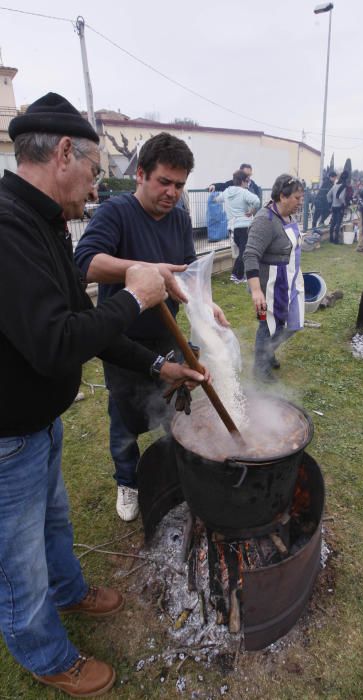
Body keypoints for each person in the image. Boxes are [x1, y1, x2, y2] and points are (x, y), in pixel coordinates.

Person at [0, 93, 207, 697]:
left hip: (37, 423)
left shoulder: (43, 223)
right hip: (6, 433)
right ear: (65, 152)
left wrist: (157, 365)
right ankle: (44, 653)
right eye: (94, 170)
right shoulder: (8, 229)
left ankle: (71, 592)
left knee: (55, 523)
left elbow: (86, 327)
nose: (95, 185)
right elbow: (56, 344)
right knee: (18, 562)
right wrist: (137, 297)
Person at [75, 132, 228, 522]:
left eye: (179, 185)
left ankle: (173, 470)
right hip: (121, 340)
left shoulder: (178, 218)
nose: (173, 193)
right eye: (164, 182)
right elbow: (84, 262)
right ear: (141, 174)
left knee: (174, 411)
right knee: (125, 419)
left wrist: (206, 303)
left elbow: (188, 274)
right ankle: (127, 481)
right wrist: (140, 269)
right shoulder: (116, 213)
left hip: (168, 335)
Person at [244, 174, 305, 383]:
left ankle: (268, 351)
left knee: (293, 324)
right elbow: (250, 254)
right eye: (297, 198)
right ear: (283, 196)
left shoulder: (288, 217)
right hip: (265, 288)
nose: (300, 202)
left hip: (289, 283)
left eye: (301, 197)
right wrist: (256, 291)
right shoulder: (264, 220)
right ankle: (260, 369)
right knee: (266, 326)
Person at [213, 168, 260, 283]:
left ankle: (240, 275)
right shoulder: (244, 192)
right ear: (243, 181)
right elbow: (257, 201)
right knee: (245, 252)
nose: (248, 184)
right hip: (244, 226)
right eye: (247, 181)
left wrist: (212, 192)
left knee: (240, 252)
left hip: (232, 227)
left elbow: (216, 199)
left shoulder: (227, 192)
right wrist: (252, 211)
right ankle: (236, 275)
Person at [327, 170, 349, 244]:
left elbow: (328, 195)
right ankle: (336, 240)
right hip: (340, 207)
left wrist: (330, 204)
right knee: (338, 223)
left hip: (333, 206)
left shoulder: (335, 185)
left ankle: (331, 238)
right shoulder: (344, 186)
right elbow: (340, 197)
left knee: (333, 223)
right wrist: (344, 203)